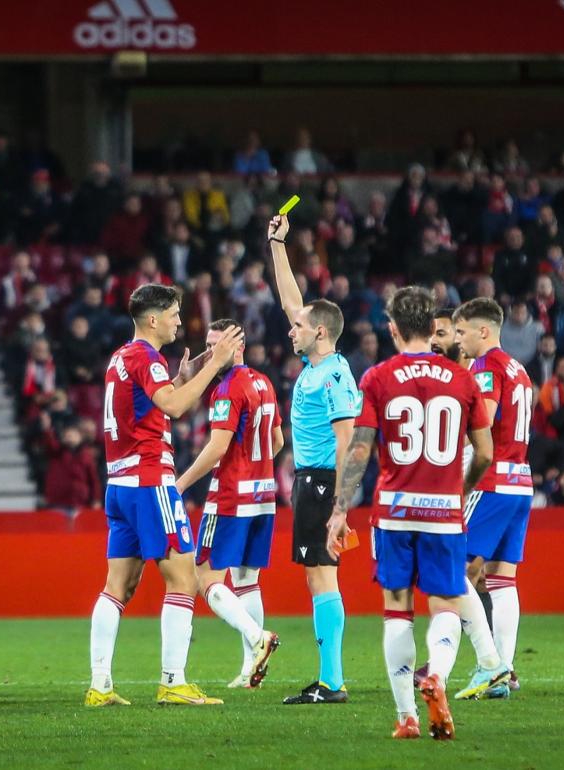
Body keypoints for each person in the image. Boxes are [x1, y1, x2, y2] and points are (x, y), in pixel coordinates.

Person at [328, 286, 498, 740]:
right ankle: (438, 674)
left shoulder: (378, 378)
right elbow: (484, 452)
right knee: (445, 604)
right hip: (444, 513)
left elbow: (360, 451)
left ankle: (406, 717)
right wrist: (458, 490)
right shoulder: (463, 380)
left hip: (395, 511)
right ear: (432, 327)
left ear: (393, 328)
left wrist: (340, 509)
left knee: (397, 610)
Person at [87, 284, 243, 708]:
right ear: (152, 319)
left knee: (117, 586)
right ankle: (173, 681)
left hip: (119, 485)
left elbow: (147, 404)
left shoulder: (121, 358)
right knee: (184, 579)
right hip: (149, 480)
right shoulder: (145, 357)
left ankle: (100, 686)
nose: (179, 319)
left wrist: (180, 379)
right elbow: (172, 408)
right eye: (174, 313)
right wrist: (217, 365)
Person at [267, 213, 360, 705]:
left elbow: (352, 440)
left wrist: (342, 505)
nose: (291, 329)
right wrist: (278, 246)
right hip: (312, 480)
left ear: (320, 333)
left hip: (324, 481)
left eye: (300, 327)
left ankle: (332, 681)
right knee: (316, 575)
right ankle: (330, 677)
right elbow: (290, 300)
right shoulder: (316, 364)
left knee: (322, 574)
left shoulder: (335, 377)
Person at [175, 319, 285, 689]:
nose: (210, 351)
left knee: (203, 575)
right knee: (247, 580)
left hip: (230, 496)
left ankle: (258, 637)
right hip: (263, 496)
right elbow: (278, 442)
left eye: (216, 344)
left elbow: (218, 447)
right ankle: (250, 670)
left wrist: (181, 483)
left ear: (236, 345)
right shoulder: (263, 382)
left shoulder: (227, 389)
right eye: (207, 343)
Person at [451, 297, 535, 697]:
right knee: (502, 580)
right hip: (521, 481)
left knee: (454, 567)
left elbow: (481, 420)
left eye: (463, 331)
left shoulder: (486, 367)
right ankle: (506, 671)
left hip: (492, 481)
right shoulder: (520, 370)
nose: (458, 339)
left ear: (483, 331)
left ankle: (490, 665)